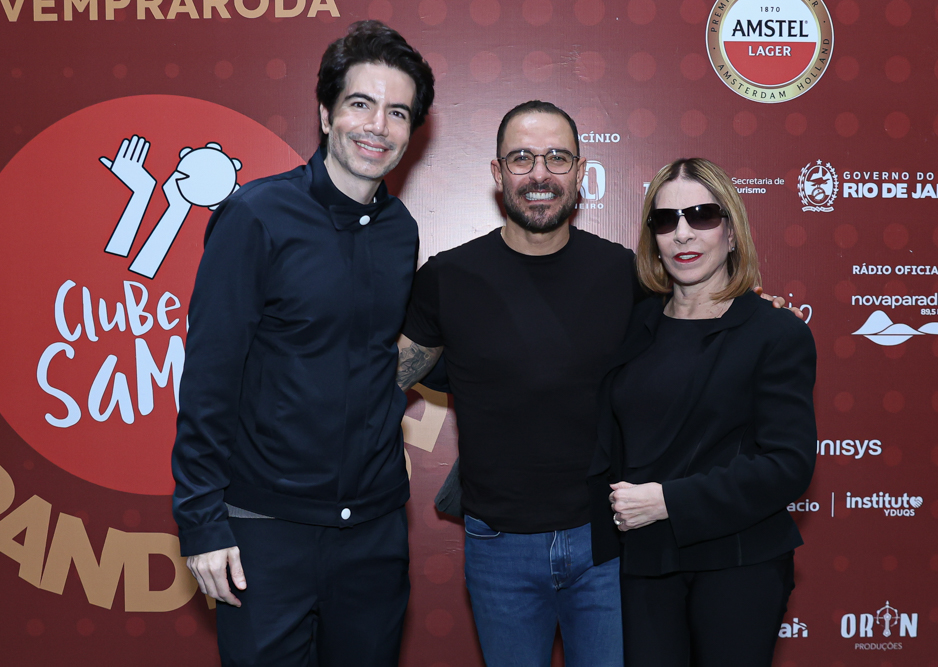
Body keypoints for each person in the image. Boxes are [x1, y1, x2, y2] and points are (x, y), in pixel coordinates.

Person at [395, 103, 798, 666]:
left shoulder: (628, 276)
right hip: (498, 545)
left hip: (608, 544)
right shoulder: (447, 277)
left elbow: (701, 316)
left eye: (557, 158)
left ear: (581, 172)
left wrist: (757, 311)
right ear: (497, 173)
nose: (540, 174)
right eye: (521, 158)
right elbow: (387, 374)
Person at [170, 20, 434, 666]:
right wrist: (202, 521)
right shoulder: (254, 216)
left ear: (411, 131)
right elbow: (208, 379)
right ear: (325, 113)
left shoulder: (401, 231)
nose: (378, 126)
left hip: (373, 533)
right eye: (360, 103)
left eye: (398, 112)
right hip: (265, 532)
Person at [589, 158, 817, 667]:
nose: (682, 234)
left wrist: (669, 501)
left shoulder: (775, 332)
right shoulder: (634, 324)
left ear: (731, 233)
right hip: (645, 561)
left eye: (702, 216)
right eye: (665, 220)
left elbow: (788, 464)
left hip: (739, 561)